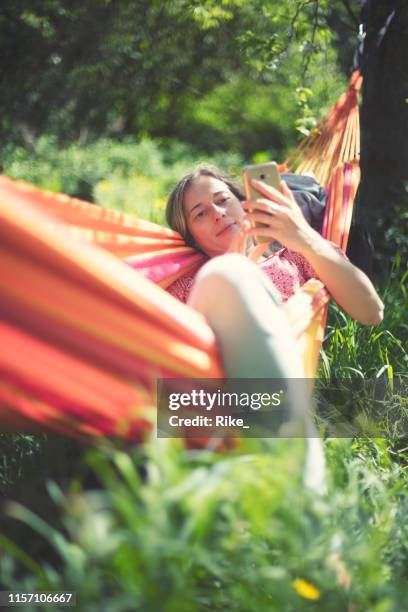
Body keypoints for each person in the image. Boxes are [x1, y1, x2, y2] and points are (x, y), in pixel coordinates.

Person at [164, 164, 384, 487]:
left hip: (275, 381)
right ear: (191, 238)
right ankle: (298, 472)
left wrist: (304, 238)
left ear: (244, 202)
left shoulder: (295, 258)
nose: (216, 213)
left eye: (222, 200)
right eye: (199, 214)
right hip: (214, 398)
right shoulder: (187, 285)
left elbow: (372, 310)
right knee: (225, 274)